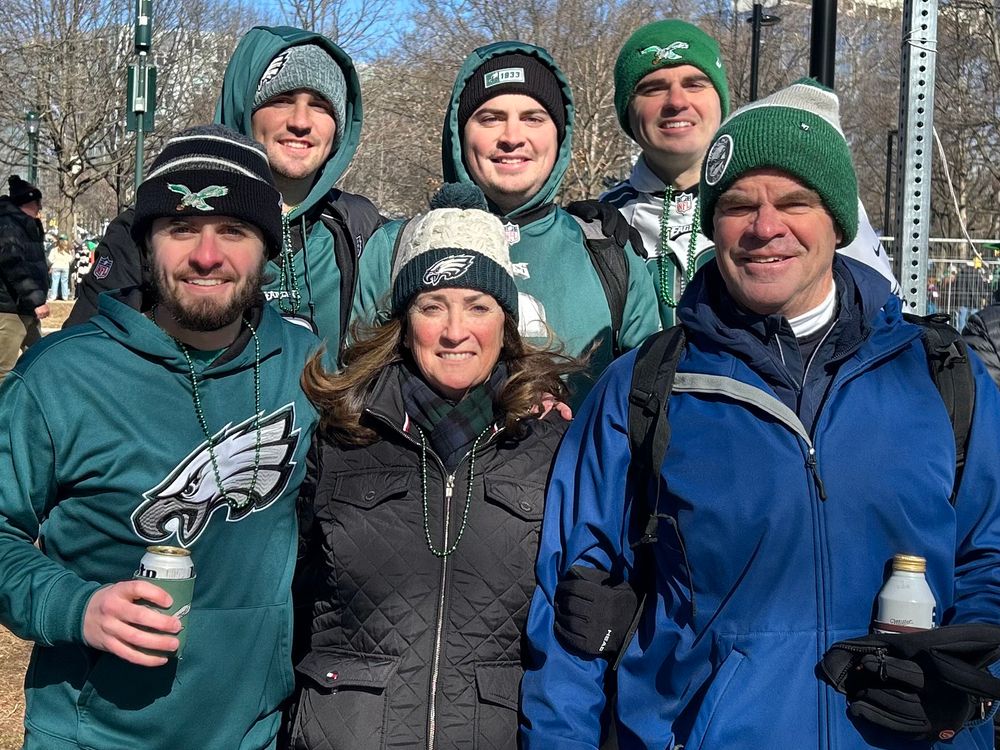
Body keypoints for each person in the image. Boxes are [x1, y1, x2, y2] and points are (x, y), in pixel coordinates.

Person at [520, 79, 1000, 749]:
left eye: (795, 202)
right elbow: (572, 609)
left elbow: (991, 559)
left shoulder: (941, 378)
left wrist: (961, 682)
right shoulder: (647, 388)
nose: (765, 227)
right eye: (739, 205)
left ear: (837, 220)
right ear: (712, 225)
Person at [0, 125, 319, 749]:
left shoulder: (308, 367)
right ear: (146, 244)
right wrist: (76, 607)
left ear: (266, 248)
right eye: (180, 229)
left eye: (233, 230)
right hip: (95, 735)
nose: (206, 255)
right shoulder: (59, 376)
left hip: (252, 734)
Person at [289, 184, 580, 749]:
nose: (454, 331)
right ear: (403, 321)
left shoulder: (549, 445)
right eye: (431, 306)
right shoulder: (341, 438)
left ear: (507, 323)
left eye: (479, 306)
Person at [355, 42, 660, 407]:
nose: (512, 138)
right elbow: (357, 388)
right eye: (490, 118)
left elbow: (647, 400)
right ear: (460, 134)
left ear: (559, 137)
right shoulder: (394, 248)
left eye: (533, 118)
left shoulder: (608, 251)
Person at [65, 26, 383, 361]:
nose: (301, 122)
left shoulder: (361, 228)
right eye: (281, 100)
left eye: (320, 105)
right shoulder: (151, 227)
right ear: (244, 108)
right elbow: (77, 369)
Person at [600, 19, 900, 327]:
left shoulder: (818, 198)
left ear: (719, 99)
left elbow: (882, 314)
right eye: (653, 88)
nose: (677, 102)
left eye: (694, 84)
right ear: (627, 109)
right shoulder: (597, 224)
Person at [0, 175, 49, 379]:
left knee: (40, 359)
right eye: (38, 203)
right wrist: (36, 300)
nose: (40, 208)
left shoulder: (26, 225)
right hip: (10, 309)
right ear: (28, 202)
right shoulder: (8, 225)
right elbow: (13, 264)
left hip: (25, 308)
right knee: (4, 369)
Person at [48, 233, 73, 300]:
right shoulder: (68, 250)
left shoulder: (54, 249)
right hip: (65, 267)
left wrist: (54, 262)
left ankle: (53, 296)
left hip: (56, 266)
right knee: (64, 282)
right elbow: (70, 259)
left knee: (55, 282)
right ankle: (65, 296)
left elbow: (50, 258)